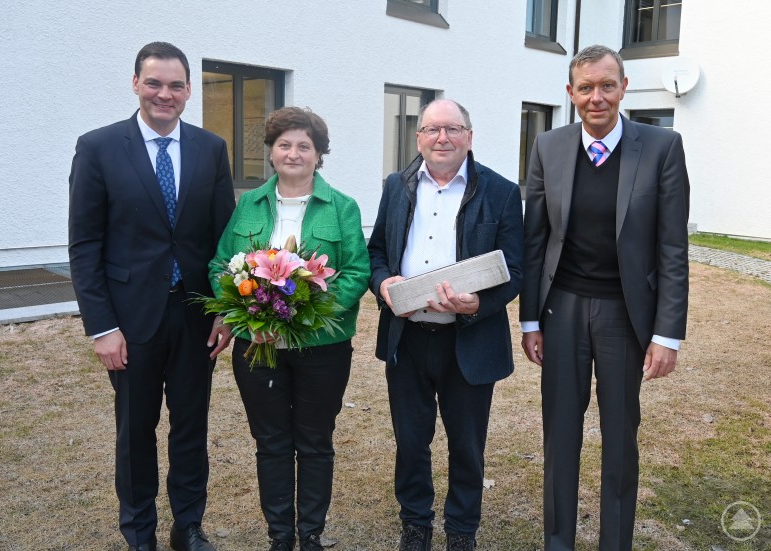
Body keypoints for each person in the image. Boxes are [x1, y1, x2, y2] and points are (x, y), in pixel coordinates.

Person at [520, 45, 690, 550]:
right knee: (560, 437)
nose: (597, 97)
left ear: (624, 88)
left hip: (625, 315)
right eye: (586, 87)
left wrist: (667, 333)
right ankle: (559, 542)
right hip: (563, 309)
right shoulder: (548, 146)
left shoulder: (662, 147)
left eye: (607, 85)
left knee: (619, 439)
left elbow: (672, 246)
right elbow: (534, 241)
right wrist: (531, 322)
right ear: (570, 93)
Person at [68, 42, 236, 551]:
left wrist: (226, 311)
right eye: (155, 83)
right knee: (135, 433)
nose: (166, 94)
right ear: (136, 83)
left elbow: (225, 238)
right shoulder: (98, 147)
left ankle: (187, 526)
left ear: (189, 90)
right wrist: (101, 327)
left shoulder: (211, 148)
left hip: (194, 316)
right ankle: (139, 532)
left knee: (191, 428)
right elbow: (85, 245)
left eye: (177, 85)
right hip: (129, 320)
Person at [209, 106, 370, 551]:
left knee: (316, 440)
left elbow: (357, 271)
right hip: (258, 346)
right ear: (271, 152)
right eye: (284, 145)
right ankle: (280, 536)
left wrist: (304, 314)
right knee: (271, 441)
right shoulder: (248, 205)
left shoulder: (343, 208)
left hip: (323, 347)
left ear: (319, 155)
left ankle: (311, 534)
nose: (293, 153)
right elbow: (221, 263)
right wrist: (241, 309)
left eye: (304, 146)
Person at [368, 99, 523, 551]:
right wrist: (383, 285)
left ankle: (461, 531)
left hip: (468, 339)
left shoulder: (501, 191)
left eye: (453, 129)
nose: (442, 138)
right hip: (409, 337)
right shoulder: (396, 186)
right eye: (432, 130)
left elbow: (517, 267)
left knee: (467, 446)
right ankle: (415, 524)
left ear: (469, 137)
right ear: (418, 137)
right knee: (411, 442)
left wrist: (479, 302)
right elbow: (377, 251)